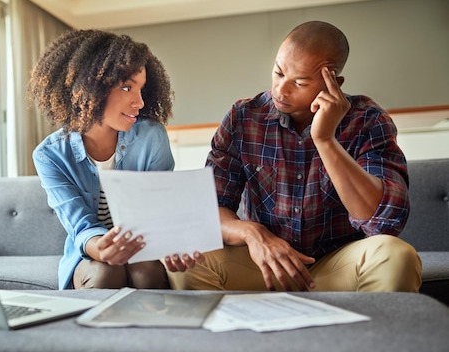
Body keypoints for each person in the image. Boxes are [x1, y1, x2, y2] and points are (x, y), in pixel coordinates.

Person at [167, 21, 422, 292]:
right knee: (190, 261)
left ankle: (373, 336)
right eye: (278, 73)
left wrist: (325, 140)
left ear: (333, 82)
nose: (281, 90)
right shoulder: (244, 117)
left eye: (299, 82)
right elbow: (209, 209)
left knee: (396, 255)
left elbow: (384, 222)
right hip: (263, 265)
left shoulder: (368, 120)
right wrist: (255, 235)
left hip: (336, 267)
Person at [29, 29, 202, 290]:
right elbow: (80, 225)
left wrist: (171, 241)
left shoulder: (152, 137)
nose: (140, 102)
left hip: (145, 249)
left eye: (141, 89)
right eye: (126, 87)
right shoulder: (50, 155)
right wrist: (102, 248)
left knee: (145, 271)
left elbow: (160, 211)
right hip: (91, 254)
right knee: (106, 273)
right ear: (89, 87)